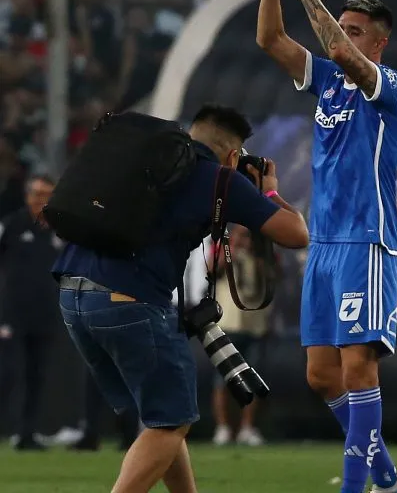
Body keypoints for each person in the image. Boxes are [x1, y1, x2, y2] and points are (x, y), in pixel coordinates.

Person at [53, 104, 309, 493]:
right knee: (171, 423)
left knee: (168, 418)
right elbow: (296, 234)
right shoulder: (219, 178)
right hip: (129, 299)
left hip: (72, 293)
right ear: (234, 154)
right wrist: (268, 189)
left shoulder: (142, 160)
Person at [256, 0, 397, 493]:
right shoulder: (325, 81)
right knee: (322, 377)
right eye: (340, 26)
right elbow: (269, 38)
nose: (340, 38)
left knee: (356, 369)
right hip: (323, 243)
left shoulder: (390, 88)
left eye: (353, 31)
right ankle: (390, 480)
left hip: (366, 240)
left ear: (379, 44)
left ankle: (356, 488)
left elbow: (342, 55)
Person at [0, 174, 61, 450]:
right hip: (13, 315)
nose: (41, 200)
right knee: (9, 373)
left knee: (38, 375)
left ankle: (27, 432)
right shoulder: (12, 224)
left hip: (46, 314)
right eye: (37, 194)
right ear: (27, 195)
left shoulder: (59, 229)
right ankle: (8, 429)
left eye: (47, 194)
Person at [210, 227, 271, 447]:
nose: (247, 240)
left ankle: (247, 428)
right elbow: (211, 272)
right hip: (228, 324)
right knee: (222, 381)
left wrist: (261, 254)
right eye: (242, 235)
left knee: (254, 379)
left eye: (249, 236)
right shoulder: (225, 252)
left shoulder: (262, 256)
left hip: (255, 326)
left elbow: (275, 277)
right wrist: (231, 250)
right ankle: (223, 428)